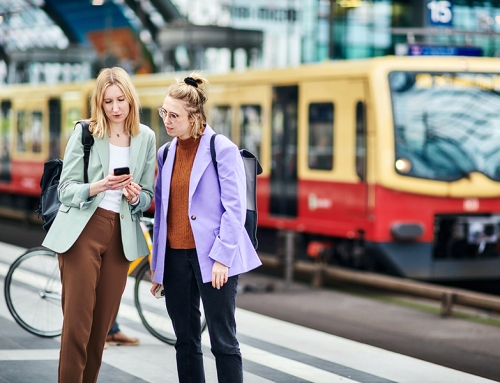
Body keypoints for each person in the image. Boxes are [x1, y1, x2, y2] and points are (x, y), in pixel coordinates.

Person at [42, 66, 156, 383]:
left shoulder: (146, 137)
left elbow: (148, 196)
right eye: (108, 102)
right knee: (77, 326)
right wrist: (99, 186)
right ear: (99, 104)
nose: (116, 108)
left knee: (101, 328)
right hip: (83, 233)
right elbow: (65, 190)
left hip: (121, 237)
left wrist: (136, 197)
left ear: (131, 99)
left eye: (121, 100)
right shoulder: (86, 132)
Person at [150, 73, 262, 383]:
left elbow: (234, 207)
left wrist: (223, 258)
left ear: (194, 117)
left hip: (213, 258)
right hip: (175, 258)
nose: (167, 121)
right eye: (164, 112)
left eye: (174, 115)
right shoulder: (165, 153)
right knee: (185, 341)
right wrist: (158, 267)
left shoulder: (221, 148)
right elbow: (163, 214)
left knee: (223, 342)